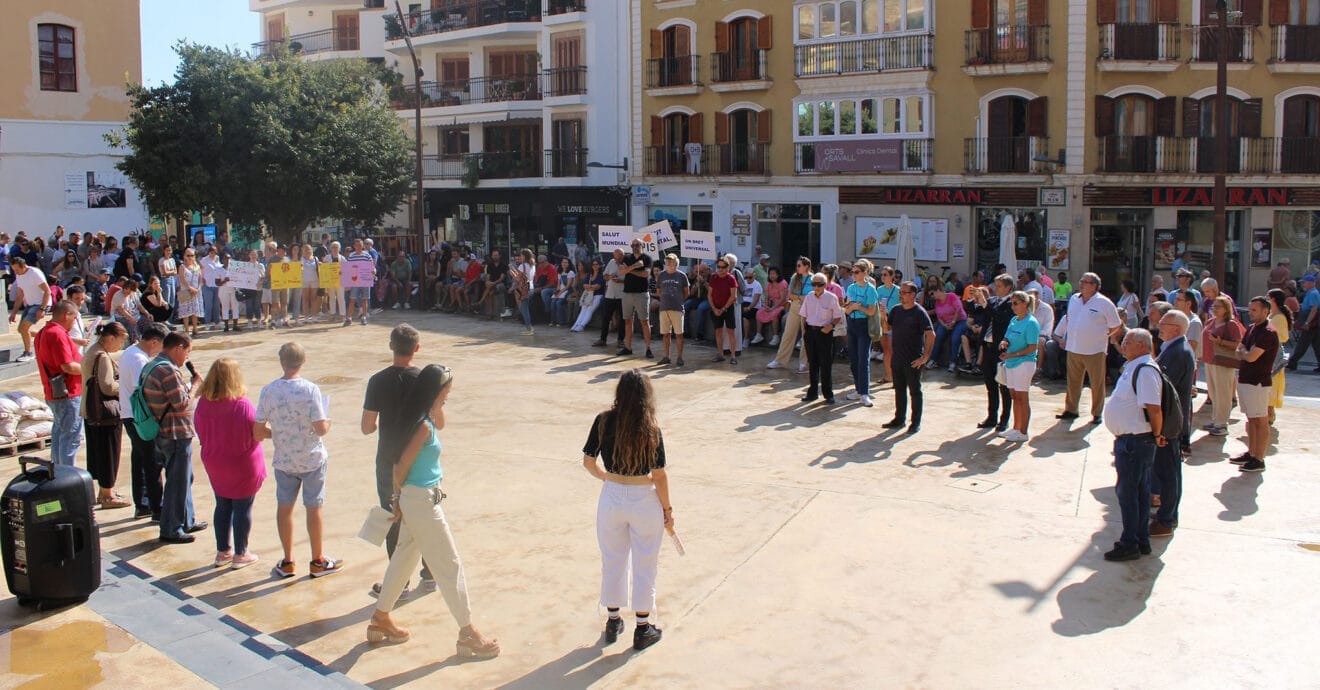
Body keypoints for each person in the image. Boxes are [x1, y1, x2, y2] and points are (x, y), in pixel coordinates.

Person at [367, 365, 501, 659]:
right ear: (434, 391)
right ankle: (468, 633)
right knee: (449, 564)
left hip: (418, 499)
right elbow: (400, 466)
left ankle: (380, 618)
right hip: (422, 502)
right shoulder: (422, 426)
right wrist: (398, 498)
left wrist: (436, 401)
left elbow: (440, 424)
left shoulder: (422, 418)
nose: (448, 396)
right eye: (446, 391)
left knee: (404, 557)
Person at [581, 369, 673, 651]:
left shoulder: (603, 421)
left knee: (613, 559)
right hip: (643, 497)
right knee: (645, 563)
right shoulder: (651, 428)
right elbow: (659, 475)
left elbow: (588, 461)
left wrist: (606, 477)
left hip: (612, 496)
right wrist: (667, 510)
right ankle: (643, 627)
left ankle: (613, 619)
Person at [255, 342, 342, 579]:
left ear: (281, 361)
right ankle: (317, 560)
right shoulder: (310, 390)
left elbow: (258, 431)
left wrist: (280, 433)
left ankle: (288, 560)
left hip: (284, 458)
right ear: (303, 362)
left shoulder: (268, 390)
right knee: (314, 507)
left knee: (285, 508)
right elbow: (320, 429)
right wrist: (329, 422)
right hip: (311, 457)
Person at [363, 325, 434, 598]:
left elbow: (367, 426)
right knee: (424, 517)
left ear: (391, 346)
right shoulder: (425, 381)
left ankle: (399, 582)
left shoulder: (377, 381)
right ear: (417, 348)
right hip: (420, 460)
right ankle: (430, 574)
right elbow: (434, 419)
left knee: (393, 516)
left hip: (389, 459)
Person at [194, 358, 265, 569]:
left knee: (222, 505)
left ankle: (223, 551)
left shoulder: (203, 403)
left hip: (215, 461)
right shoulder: (241, 404)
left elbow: (198, 430)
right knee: (243, 507)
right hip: (241, 463)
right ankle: (241, 553)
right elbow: (256, 433)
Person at [1103, 329, 1167, 561]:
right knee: (1138, 493)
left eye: (1127, 342)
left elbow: (1154, 408)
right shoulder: (1134, 366)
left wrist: (1157, 434)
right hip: (1131, 440)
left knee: (1128, 493)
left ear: (1142, 345)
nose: (1123, 346)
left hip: (1136, 442)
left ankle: (1130, 542)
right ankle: (1140, 540)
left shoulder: (1145, 371)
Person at [142, 332, 208, 543]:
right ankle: (171, 528)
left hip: (163, 430)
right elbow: (181, 402)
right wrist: (195, 385)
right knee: (177, 482)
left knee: (184, 478)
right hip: (175, 432)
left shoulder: (152, 365)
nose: (186, 357)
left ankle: (186, 519)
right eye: (187, 352)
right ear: (178, 348)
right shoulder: (168, 370)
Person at [1054, 272, 1122, 425]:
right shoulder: (1074, 299)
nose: (1081, 284)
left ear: (1094, 286)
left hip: (1095, 350)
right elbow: (1070, 319)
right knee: (1073, 381)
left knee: (1096, 383)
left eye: (1085, 282)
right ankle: (1071, 409)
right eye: (1081, 280)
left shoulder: (1105, 303)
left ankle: (1097, 413)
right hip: (1074, 347)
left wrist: (1104, 335)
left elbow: (1116, 325)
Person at [1150, 310, 1195, 538]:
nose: (1159, 325)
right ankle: (1168, 514)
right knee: (1168, 471)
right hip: (1169, 421)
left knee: (1168, 473)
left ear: (1176, 329)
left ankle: (1166, 519)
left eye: (1164, 323)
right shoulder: (1174, 348)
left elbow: (1165, 389)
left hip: (1169, 424)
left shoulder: (1178, 352)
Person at [120, 323, 168, 520]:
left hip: (130, 415)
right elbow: (145, 391)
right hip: (140, 418)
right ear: (154, 342)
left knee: (140, 459)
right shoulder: (139, 360)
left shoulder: (131, 351)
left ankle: (143, 504)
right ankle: (156, 508)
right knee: (152, 462)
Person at [80, 321, 130, 508]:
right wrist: (124, 387)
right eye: (120, 341)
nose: (121, 346)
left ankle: (104, 491)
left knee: (99, 453)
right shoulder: (102, 357)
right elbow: (108, 386)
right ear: (110, 338)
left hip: (90, 411)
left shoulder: (92, 351)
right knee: (109, 453)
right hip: (104, 414)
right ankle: (107, 494)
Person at [1229, 297, 1281, 473]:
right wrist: (1245, 352)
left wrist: (1244, 352)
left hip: (1258, 382)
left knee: (1260, 420)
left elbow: (1251, 356)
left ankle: (1259, 459)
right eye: (1250, 309)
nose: (1250, 313)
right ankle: (1251, 453)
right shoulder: (1251, 328)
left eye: (1254, 310)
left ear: (1265, 311)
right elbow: (1239, 351)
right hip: (1245, 379)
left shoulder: (1268, 332)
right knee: (1251, 419)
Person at [35, 301, 85, 466]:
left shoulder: (43, 332)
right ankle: (67, 480)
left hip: (56, 393)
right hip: (68, 393)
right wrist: (91, 369)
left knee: (60, 434)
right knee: (70, 439)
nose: (74, 323)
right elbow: (67, 366)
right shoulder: (57, 334)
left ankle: (58, 475)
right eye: (74, 318)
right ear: (66, 315)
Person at [884, 282, 935, 433]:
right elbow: (888, 328)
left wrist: (925, 357)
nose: (901, 295)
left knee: (915, 391)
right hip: (897, 357)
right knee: (899, 389)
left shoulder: (919, 312)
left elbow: (931, 334)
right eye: (901, 292)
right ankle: (899, 419)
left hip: (913, 358)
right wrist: (881, 316)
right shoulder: (896, 310)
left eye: (905, 293)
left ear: (913, 294)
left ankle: (915, 422)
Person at [997, 291, 1040, 443]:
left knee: (1022, 398)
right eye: (1012, 303)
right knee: (1015, 397)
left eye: (1016, 303)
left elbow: (1032, 347)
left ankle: (1023, 432)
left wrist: (1012, 355)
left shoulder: (1031, 323)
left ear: (1025, 304)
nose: (1013, 306)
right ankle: (1016, 428)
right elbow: (1007, 337)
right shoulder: (1014, 320)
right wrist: (1004, 342)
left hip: (1024, 364)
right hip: (1011, 363)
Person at [1201, 295, 1245, 437]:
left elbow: (1238, 344)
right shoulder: (1211, 321)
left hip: (1223, 362)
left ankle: (1222, 423)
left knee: (1223, 393)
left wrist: (1220, 341)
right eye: (1213, 306)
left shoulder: (1231, 324)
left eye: (1218, 307)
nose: (1214, 309)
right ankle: (1216, 420)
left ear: (1226, 309)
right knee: (1213, 393)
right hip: (1209, 360)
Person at [979, 275, 1016, 431]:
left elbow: (1000, 318)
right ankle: (992, 416)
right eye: (996, 285)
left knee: (1003, 385)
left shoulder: (1011, 303)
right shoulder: (993, 301)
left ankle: (1004, 418)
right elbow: (981, 312)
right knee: (990, 384)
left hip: (1001, 348)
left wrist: (985, 304)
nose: (996, 288)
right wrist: (975, 299)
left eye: (1000, 286)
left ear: (1008, 287)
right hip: (988, 346)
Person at [842, 260, 879, 407]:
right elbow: (846, 308)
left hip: (864, 325)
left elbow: (871, 311)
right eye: (853, 272)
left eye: (857, 272)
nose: (854, 275)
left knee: (864, 359)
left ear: (865, 273)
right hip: (852, 323)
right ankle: (858, 389)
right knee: (854, 358)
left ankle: (864, 393)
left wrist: (858, 307)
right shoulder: (851, 288)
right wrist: (853, 308)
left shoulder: (871, 290)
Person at [768, 257, 814, 373]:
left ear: (806, 266)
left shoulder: (813, 279)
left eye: (799, 265)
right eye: (797, 265)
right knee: (788, 333)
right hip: (795, 305)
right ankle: (780, 360)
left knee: (806, 336)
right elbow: (790, 294)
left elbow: (813, 295)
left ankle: (804, 363)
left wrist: (800, 297)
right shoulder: (794, 277)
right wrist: (799, 297)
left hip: (808, 307)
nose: (797, 267)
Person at [9, 257, 51, 362]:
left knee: (24, 328)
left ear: (24, 266)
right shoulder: (19, 276)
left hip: (40, 304)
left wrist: (42, 308)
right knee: (21, 330)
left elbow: (47, 291)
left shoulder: (35, 273)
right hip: (30, 304)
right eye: (14, 270)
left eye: (17, 270)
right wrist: (13, 313)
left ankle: (28, 352)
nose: (16, 272)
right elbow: (20, 295)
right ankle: (45, 337)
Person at [619, 240, 654, 358]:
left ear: (642, 246)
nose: (634, 247)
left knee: (645, 321)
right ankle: (628, 347)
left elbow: (645, 274)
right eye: (632, 245)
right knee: (628, 321)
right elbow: (621, 271)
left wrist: (629, 269)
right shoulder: (627, 257)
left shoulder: (647, 258)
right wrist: (635, 266)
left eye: (637, 245)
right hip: (627, 293)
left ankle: (648, 348)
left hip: (641, 294)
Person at [654, 254, 689, 366]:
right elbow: (658, 291)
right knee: (666, 334)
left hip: (677, 308)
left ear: (676, 262)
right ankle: (666, 356)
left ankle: (679, 357)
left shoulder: (682, 276)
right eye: (667, 260)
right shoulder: (661, 275)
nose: (668, 262)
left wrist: (679, 300)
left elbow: (686, 292)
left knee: (679, 334)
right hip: (664, 308)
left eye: (671, 260)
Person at [708, 257, 740, 365]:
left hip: (728, 308)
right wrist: (714, 309)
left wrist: (723, 309)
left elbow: (733, 296)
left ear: (728, 268)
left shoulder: (731, 278)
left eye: (723, 267)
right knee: (718, 331)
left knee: (731, 331)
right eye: (719, 267)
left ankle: (733, 356)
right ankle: (720, 354)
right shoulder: (714, 277)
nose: (720, 269)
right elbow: (709, 295)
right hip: (716, 308)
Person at [929, 283, 967, 372]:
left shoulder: (952, 296)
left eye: (932, 294)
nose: (931, 296)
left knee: (955, 338)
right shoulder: (937, 302)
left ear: (938, 291)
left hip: (960, 320)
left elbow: (958, 309)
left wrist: (953, 321)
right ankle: (933, 359)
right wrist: (945, 325)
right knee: (938, 336)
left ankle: (953, 362)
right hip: (945, 323)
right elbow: (939, 316)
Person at [1286, 274, 1319, 373]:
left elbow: (1314, 309)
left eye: (1304, 283)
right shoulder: (1311, 293)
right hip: (1314, 324)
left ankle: (1292, 363)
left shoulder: (1313, 293)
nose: (1303, 285)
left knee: (1302, 344)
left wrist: (1307, 322)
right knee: (1317, 345)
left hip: (1311, 323)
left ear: (1311, 283)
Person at [756, 267, 788, 346]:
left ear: (778, 274)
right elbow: (767, 297)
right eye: (770, 273)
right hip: (771, 304)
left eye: (773, 273)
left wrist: (773, 308)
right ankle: (758, 334)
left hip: (782, 305)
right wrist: (766, 305)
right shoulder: (769, 284)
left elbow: (782, 299)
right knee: (759, 312)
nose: (771, 275)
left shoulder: (782, 283)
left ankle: (776, 336)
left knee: (774, 314)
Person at [347, 239, 376, 326]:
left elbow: (372, 267)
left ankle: (364, 317)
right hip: (355, 281)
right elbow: (348, 268)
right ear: (354, 246)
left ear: (362, 246)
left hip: (365, 280)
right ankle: (348, 318)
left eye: (360, 245)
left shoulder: (367, 255)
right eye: (357, 245)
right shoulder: (351, 256)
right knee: (352, 299)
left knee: (364, 299)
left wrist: (374, 271)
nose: (358, 247)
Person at [176, 247, 203, 335]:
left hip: (196, 290)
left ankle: (195, 328)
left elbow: (200, 278)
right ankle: (187, 330)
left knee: (195, 310)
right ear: (184, 256)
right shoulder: (182, 266)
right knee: (185, 312)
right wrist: (190, 288)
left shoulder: (197, 266)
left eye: (192, 255)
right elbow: (182, 279)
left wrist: (198, 288)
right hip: (185, 290)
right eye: (188, 255)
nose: (190, 257)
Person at [200, 246, 225, 330]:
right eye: (211, 252)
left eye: (214, 252)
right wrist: (202, 279)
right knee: (208, 305)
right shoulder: (204, 260)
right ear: (209, 252)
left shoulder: (217, 259)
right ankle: (207, 322)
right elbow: (199, 270)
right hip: (207, 285)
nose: (212, 254)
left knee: (216, 305)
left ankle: (217, 322)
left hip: (216, 285)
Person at [548, 257, 575, 327]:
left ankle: (561, 321)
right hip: (561, 290)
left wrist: (560, 293)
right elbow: (558, 284)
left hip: (567, 290)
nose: (564, 264)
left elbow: (568, 286)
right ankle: (553, 320)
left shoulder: (570, 272)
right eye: (563, 262)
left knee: (559, 303)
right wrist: (557, 291)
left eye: (566, 262)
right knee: (553, 302)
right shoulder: (560, 272)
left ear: (569, 264)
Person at [299, 244, 320, 324]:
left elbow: (319, 268)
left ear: (311, 250)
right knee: (305, 299)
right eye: (305, 249)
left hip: (314, 281)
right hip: (304, 281)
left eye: (309, 249)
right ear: (302, 251)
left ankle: (314, 316)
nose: (307, 251)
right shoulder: (301, 259)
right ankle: (306, 317)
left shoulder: (316, 258)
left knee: (314, 299)